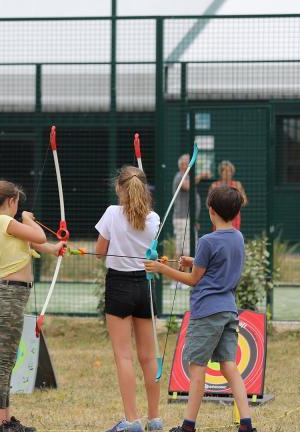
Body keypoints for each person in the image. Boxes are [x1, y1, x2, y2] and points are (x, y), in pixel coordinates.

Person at [144, 186, 256, 432]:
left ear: (211, 211)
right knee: (229, 365)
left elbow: (194, 280)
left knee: (198, 369)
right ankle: (246, 423)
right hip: (229, 311)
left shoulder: (207, 240)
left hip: (206, 312)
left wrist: (161, 269)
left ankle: (188, 426)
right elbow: (218, 264)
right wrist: (194, 261)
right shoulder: (237, 236)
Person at [0, 180, 63, 432]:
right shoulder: (4, 221)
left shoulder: (5, 225)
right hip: (10, 296)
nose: (20, 208)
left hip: (13, 296)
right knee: (3, 362)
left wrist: (56, 249)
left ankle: (5, 421)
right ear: (12, 201)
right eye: (18, 204)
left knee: (7, 360)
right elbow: (36, 234)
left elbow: (38, 243)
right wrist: (28, 218)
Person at [95, 166, 163, 432]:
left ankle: (132, 420)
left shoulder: (112, 213)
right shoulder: (154, 218)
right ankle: (154, 419)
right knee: (149, 356)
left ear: (119, 188)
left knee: (124, 356)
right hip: (144, 288)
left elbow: (100, 253)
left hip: (119, 285)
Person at [172, 154, 210, 257]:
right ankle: (181, 272)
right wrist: (200, 176)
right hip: (182, 219)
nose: (192, 165)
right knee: (185, 251)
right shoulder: (180, 176)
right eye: (189, 163)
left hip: (189, 220)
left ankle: (185, 272)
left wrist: (195, 221)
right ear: (183, 165)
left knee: (189, 249)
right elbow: (187, 185)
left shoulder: (188, 177)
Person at [209, 161, 247, 231]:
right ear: (221, 172)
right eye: (224, 170)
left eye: (229, 171)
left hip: (234, 217)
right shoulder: (214, 185)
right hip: (219, 217)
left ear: (232, 173)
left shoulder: (237, 185)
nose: (227, 173)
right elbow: (209, 203)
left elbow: (244, 201)